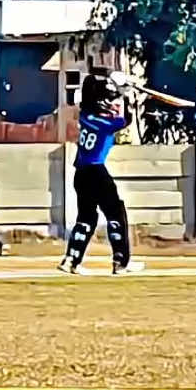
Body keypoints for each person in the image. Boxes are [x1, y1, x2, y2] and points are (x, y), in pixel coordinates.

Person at [58, 70, 144, 275]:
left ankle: (71, 260)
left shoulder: (85, 116)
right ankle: (120, 261)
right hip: (96, 171)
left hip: (80, 173)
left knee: (86, 217)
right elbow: (126, 120)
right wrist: (127, 96)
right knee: (115, 213)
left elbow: (98, 101)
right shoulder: (105, 124)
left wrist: (120, 92)